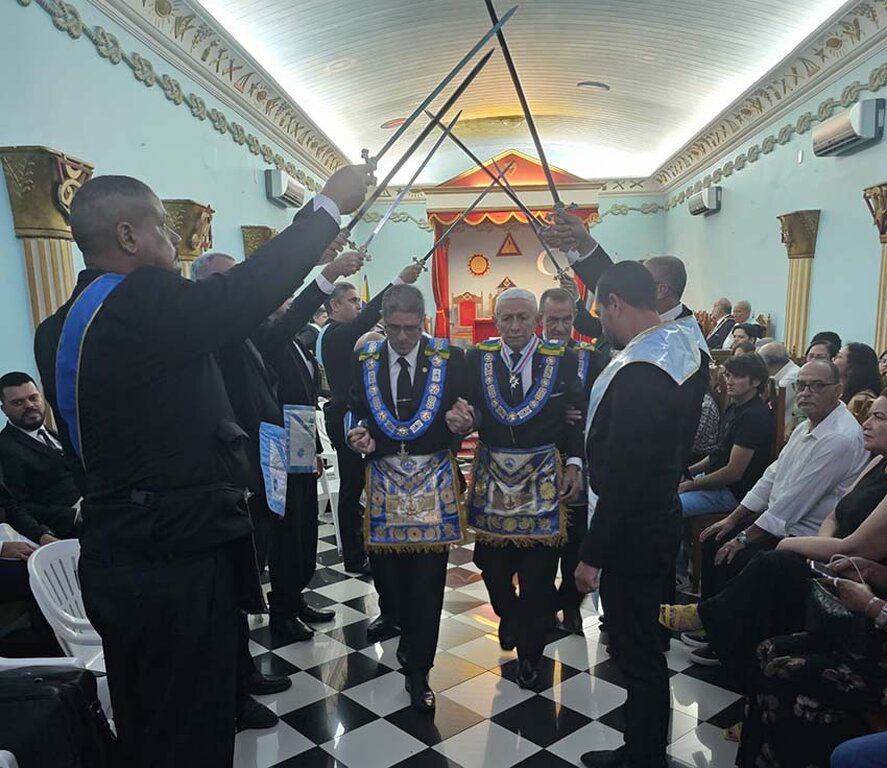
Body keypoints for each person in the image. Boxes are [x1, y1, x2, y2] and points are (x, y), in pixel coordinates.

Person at [33, 166, 370, 768]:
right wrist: (324, 208)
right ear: (129, 236)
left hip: (118, 548)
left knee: (148, 720)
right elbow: (240, 295)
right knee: (193, 728)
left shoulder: (58, 326)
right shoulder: (139, 301)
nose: (174, 242)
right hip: (173, 557)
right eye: (164, 227)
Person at [573, 262, 706, 768]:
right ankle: (643, 747)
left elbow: (625, 476)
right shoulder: (682, 346)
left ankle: (644, 755)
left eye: (601, 312)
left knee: (637, 651)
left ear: (616, 303)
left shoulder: (642, 371)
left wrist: (591, 555)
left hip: (632, 531)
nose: (601, 324)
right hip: (657, 518)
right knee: (644, 647)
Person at [660, 390, 887, 685]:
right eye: (802, 385)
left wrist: (765, 539)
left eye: (878, 417)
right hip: (824, 548)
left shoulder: (841, 438)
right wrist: (735, 520)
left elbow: (815, 512)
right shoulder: (874, 460)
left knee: (765, 561)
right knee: (717, 540)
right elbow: (828, 511)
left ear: (836, 390)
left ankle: (715, 626)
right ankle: (715, 630)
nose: (866, 423)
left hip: (836, 557)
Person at [191, 250, 305, 732]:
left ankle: (244, 672)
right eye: (228, 278)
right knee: (235, 583)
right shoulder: (211, 332)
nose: (236, 287)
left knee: (252, 570)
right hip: (236, 472)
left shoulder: (241, 331)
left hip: (264, 461)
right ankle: (234, 686)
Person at [451, 287, 583, 690]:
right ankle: (507, 613)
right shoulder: (478, 358)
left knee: (538, 575)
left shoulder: (563, 358)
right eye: (506, 319)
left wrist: (575, 463)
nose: (514, 326)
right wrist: (465, 420)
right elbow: (469, 406)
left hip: (543, 478)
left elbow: (575, 418)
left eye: (522, 318)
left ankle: (530, 656)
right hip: (493, 476)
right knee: (491, 566)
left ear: (536, 321)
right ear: (496, 321)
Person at [346, 285, 467, 712]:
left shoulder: (449, 358)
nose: (401, 337)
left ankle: (419, 671)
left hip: (433, 483)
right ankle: (397, 622)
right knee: (391, 580)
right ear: (383, 321)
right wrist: (355, 431)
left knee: (428, 584)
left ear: (423, 323)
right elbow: (353, 406)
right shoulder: (366, 358)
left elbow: (467, 408)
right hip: (383, 484)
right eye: (394, 328)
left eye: (411, 329)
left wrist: (465, 420)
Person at [255, 249, 365, 644]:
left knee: (304, 529)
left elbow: (303, 398)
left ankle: (296, 597)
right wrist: (328, 272)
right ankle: (283, 611)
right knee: (287, 533)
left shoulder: (292, 341)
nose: (289, 301)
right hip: (277, 447)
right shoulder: (265, 335)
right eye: (283, 295)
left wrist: (315, 448)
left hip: (300, 442)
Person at [317, 263, 422, 642]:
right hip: (350, 420)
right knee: (352, 489)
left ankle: (365, 553)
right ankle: (354, 553)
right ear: (334, 306)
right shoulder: (334, 335)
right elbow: (364, 323)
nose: (358, 307)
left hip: (366, 427)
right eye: (352, 301)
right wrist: (399, 281)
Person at [737, 572, 887, 768]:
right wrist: (869, 570)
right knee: (769, 650)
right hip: (874, 638)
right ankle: (753, 760)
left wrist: (872, 605)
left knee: (785, 673)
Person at [539, 286, 608, 633]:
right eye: (553, 320)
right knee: (541, 542)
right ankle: (542, 604)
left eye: (566, 320)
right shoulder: (529, 356)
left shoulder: (589, 357)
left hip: (581, 459)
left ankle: (570, 606)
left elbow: (601, 404)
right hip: (538, 460)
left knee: (576, 537)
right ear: (540, 320)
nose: (560, 327)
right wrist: (556, 412)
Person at [678, 354, 774, 521]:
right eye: (728, 375)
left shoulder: (754, 416)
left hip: (732, 492)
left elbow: (733, 472)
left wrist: (690, 485)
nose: (729, 381)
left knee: (665, 508)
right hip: (714, 481)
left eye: (738, 376)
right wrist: (687, 471)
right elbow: (718, 454)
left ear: (756, 381)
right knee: (656, 492)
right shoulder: (735, 406)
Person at [0, 372, 80, 537]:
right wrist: (75, 515)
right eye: (18, 402)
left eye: (33, 398)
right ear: (4, 409)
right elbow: (17, 506)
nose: (29, 405)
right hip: (71, 524)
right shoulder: (5, 448)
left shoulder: (59, 431)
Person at [834, 342, 881, 423]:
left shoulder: (861, 399)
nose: (833, 359)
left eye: (839, 356)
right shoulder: (841, 391)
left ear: (854, 364)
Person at [758, 341, 800, 431]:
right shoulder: (781, 373)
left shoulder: (790, 379)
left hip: (782, 430)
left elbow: (771, 409)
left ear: (765, 364)